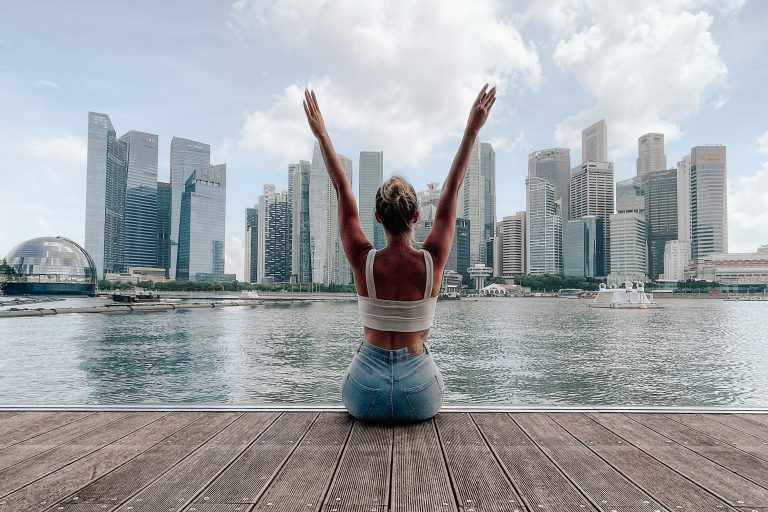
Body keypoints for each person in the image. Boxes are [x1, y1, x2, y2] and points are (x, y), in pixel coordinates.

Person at [302, 84, 496, 422]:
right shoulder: (432, 262)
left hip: (365, 395)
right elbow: (451, 189)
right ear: (417, 216)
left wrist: (322, 135)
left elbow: (341, 189)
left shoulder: (364, 261)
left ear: (378, 218)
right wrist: (472, 129)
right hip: (418, 396)